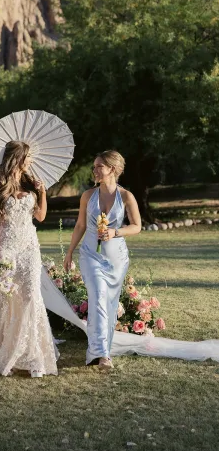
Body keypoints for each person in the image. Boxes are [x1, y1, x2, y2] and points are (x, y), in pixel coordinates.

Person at [0, 140, 58, 378]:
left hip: (29, 248)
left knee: (30, 295)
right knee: (10, 298)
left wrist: (43, 192)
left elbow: (41, 216)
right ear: (17, 158)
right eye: (28, 157)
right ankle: (8, 348)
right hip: (5, 246)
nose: (31, 161)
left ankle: (31, 352)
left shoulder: (31, 183)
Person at [64, 150, 141, 370]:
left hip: (116, 258)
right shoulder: (88, 196)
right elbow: (80, 225)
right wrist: (70, 252)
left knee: (109, 303)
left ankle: (103, 348)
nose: (95, 170)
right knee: (97, 297)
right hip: (90, 255)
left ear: (112, 169)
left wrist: (115, 232)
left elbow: (137, 226)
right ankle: (100, 355)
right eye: (94, 166)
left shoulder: (126, 196)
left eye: (99, 166)